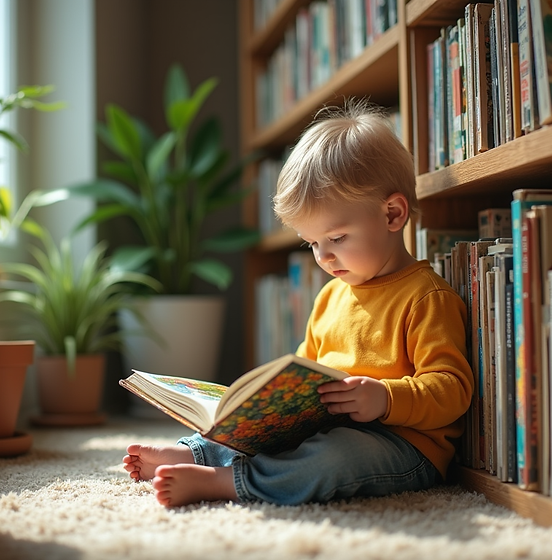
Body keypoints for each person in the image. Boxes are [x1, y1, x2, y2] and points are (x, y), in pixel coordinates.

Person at [122, 99, 473, 508]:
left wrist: (385, 398)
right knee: (270, 433)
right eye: (313, 243)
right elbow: (305, 373)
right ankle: (198, 453)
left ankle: (227, 483)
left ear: (392, 214)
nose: (323, 257)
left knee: (331, 460)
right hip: (330, 428)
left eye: (337, 239)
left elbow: (453, 390)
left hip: (404, 445)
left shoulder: (426, 297)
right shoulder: (329, 297)